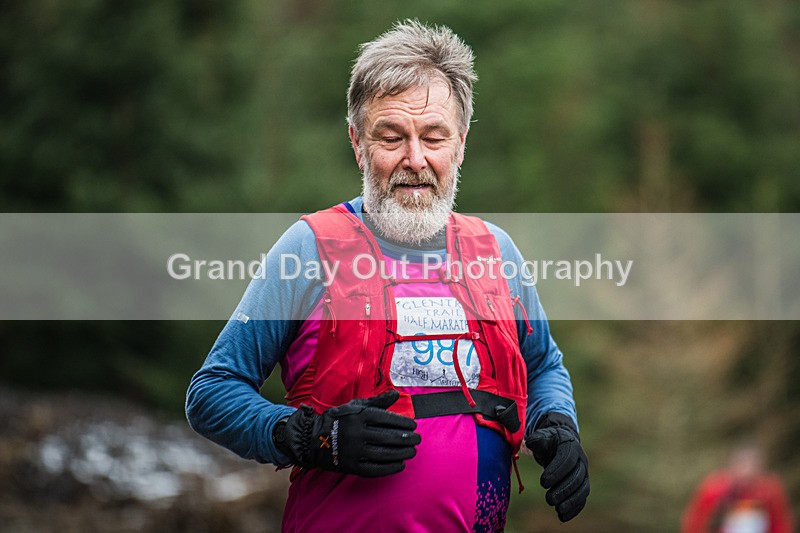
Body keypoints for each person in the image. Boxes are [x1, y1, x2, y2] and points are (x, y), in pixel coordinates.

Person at [186, 20, 589, 532]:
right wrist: (311, 436)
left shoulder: (496, 251)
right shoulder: (310, 249)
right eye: (391, 136)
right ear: (358, 143)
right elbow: (212, 392)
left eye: (434, 137)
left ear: (460, 144)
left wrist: (557, 423)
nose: (415, 159)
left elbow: (544, 366)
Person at [682, 440, 794, 533]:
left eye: (752, 466)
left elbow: (780, 525)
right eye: (743, 465)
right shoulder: (715, 489)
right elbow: (695, 523)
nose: (747, 472)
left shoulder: (769, 490)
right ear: (733, 464)